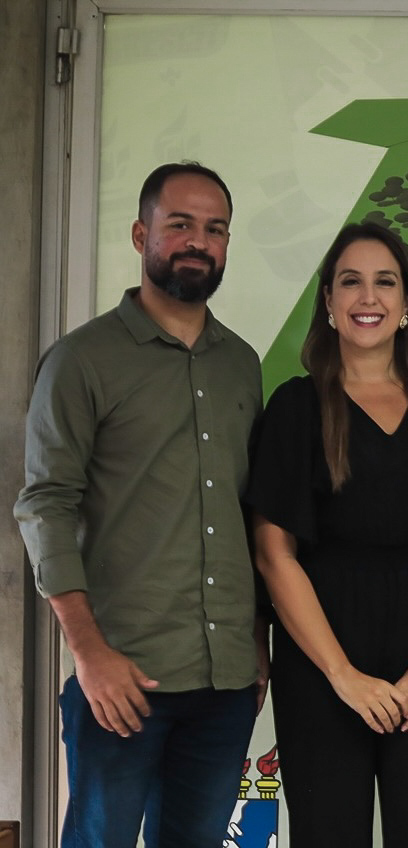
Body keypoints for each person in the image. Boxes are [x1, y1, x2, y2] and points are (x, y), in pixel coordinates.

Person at [15, 162, 267, 847]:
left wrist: (258, 646)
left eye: (214, 229)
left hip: (224, 682)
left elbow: (252, 514)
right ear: (140, 234)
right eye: (179, 224)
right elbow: (45, 505)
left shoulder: (241, 364)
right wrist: (88, 652)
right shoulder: (82, 361)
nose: (198, 241)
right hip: (122, 679)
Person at [247, 222, 408, 846]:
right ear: (329, 303)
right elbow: (272, 553)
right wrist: (342, 676)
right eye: (351, 282)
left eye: (385, 282)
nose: (369, 297)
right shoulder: (296, 408)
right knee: (327, 833)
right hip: (321, 664)